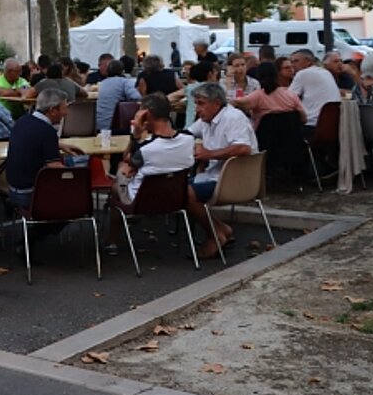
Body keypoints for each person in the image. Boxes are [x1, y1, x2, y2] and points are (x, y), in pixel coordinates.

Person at [104, 93, 195, 253]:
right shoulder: (188, 140)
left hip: (140, 200)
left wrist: (136, 134)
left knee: (120, 173)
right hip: (176, 199)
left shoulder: (146, 149)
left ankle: (112, 241)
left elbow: (126, 158)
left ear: (148, 115)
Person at [185, 83, 257, 259]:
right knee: (174, 188)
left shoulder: (233, 118)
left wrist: (210, 154)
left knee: (183, 193)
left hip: (234, 179)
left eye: (201, 104)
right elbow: (186, 134)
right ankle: (220, 229)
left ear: (216, 103)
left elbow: (243, 148)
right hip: (214, 175)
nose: (198, 109)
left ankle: (215, 234)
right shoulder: (206, 120)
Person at [1, 89, 79, 212]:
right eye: (64, 108)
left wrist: (58, 145)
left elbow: (33, 140)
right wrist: (81, 177)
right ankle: (43, 230)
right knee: (77, 201)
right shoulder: (47, 132)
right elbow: (54, 167)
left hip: (13, 189)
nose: (66, 113)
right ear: (53, 110)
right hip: (30, 194)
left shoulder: (22, 121)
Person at [232, 62, 306, 129]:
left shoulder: (258, 96)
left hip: (265, 140)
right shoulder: (291, 95)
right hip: (291, 140)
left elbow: (237, 103)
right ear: (277, 75)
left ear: (259, 77)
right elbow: (304, 118)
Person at [288, 49, 341, 132]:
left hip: (311, 124)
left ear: (308, 61)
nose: (292, 65)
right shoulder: (325, 72)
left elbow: (288, 99)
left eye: (296, 61)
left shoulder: (303, 73)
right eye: (291, 62)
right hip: (332, 124)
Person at [94, 59, 140, 135]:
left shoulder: (103, 83)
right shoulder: (125, 82)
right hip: (115, 126)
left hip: (99, 125)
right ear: (122, 71)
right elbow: (136, 97)